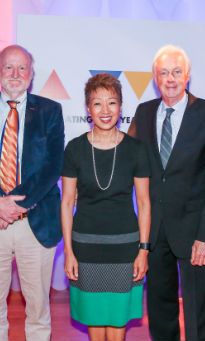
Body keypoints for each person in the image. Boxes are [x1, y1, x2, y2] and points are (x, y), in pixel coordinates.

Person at [0, 44, 64, 341]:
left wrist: (14, 206)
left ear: (31, 75)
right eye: (9, 67)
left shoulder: (50, 111)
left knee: (38, 309)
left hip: (36, 223)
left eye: (22, 68)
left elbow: (51, 166)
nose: (15, 74)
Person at [128, 45, 205, 341]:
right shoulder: (144, 113)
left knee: (199, 311)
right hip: (155, 231)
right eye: (163, 73)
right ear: (155, 77)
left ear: (187, 75)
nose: (170, 79)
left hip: (195, 231)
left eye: (176, 72)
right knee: (159, 308)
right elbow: (127, 160)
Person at [61, 73, 151, 341]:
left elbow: (144, 203)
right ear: (88, 108)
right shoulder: (74, 149)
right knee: (94, 320)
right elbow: (66, 203)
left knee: (117, 320)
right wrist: (68, 252)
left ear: (121, 107)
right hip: (85, 248)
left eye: (111, 102)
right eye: (97, 103)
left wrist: (143, 251)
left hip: (125, 248)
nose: (105, 110)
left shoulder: (136, 150)